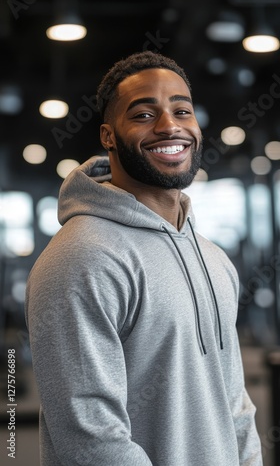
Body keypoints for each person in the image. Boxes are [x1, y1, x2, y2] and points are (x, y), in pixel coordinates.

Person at [25, 50, 263, 465]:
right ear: (108, 136)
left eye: (182, 110)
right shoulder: (82, 257)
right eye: (142, 115)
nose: (169, 126)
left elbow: (235, 406)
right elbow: (92, 437)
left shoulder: (213, 258)